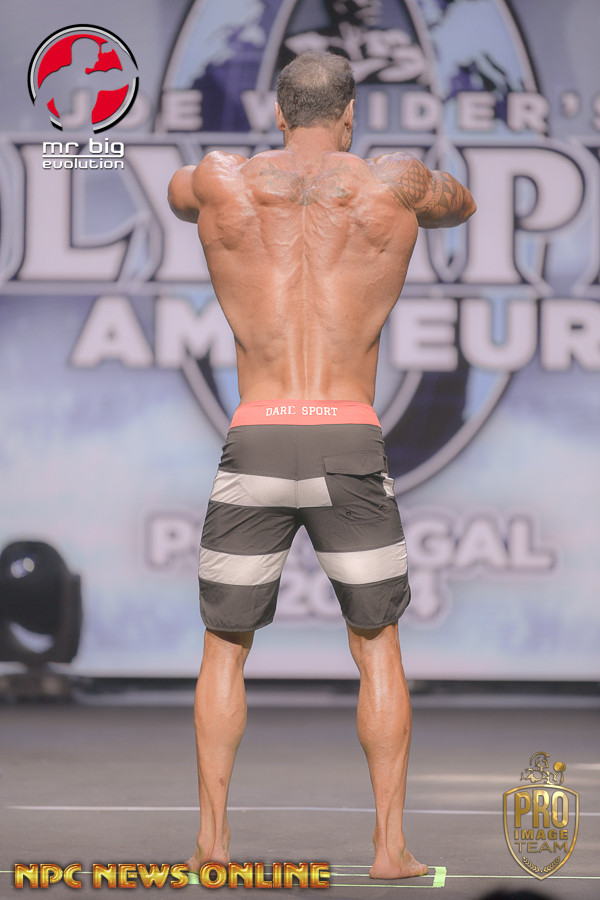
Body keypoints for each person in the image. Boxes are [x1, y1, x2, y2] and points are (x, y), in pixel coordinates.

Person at [168, 50, 475, 880]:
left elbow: (178, 195)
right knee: (377, 646)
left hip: (257, 437)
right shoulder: (393, 185)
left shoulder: (223, 181)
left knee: (224, 646)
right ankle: (389, 849)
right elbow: (460, 204)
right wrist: (407, 185)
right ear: (349, 117)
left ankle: (212, 844)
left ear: (277, 112)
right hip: (347, 440)